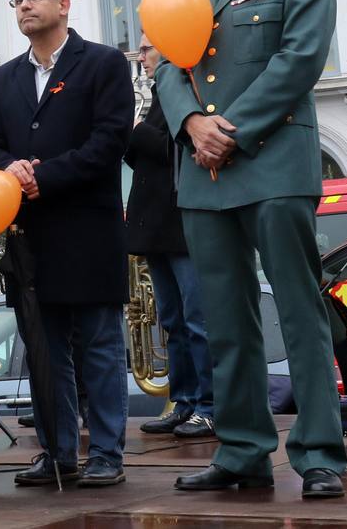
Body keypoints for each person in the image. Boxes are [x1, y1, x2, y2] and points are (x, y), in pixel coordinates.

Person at [157, 0, 345, 499]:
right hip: (204, 174)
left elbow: (299, 57)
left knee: (297, 313)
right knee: (224, 319)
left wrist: (226, 130)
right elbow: (165, 67)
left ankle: (318, 453)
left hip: (271, 161)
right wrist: (189, 124)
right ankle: (240, 450)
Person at [0, 0, 133, 488]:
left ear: (64, 5)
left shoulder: (104, 63)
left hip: (88, 230)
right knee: (44, 350)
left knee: (100, 349)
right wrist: (11, 170)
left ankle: (107, 452)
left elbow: (110, 140)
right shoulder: (4, 79)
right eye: (17, 0)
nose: (23, 6)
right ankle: (57, 452)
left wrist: (44, 174)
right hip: (31, 236)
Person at [127, 33, 214, 440]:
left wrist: (134, 129)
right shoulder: (158, 93)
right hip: (156, 223)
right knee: (173, 320)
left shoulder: (185, 86)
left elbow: (174, 146)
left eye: (147, 48)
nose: (140, 56)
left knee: (197, 320)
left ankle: (209, 406)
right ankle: (184, 401)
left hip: (180, 222)